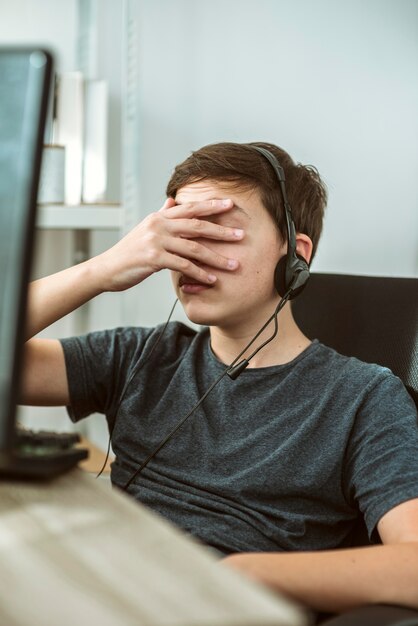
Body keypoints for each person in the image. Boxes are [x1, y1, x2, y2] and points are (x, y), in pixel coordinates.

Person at [22, 141, 418, 614]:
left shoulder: (363, 398)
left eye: (219, 234)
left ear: (294, 255)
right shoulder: (142, 355)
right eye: (180, 233)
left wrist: (238, 571)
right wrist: (103, 269)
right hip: (100, 587)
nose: (190, 256)